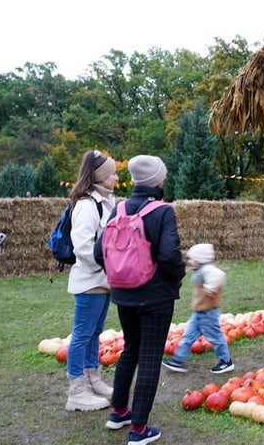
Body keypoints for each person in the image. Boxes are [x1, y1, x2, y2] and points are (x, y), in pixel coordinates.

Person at [95, 155, 185, 445]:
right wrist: (178, 276)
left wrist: (120, 272)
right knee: (149, 357)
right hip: (155, 296)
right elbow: (169, 256)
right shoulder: (163, 211)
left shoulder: (119, 208)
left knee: (130, 350)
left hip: (124, 295)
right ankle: (139, 430)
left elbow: (98, 253)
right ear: (157, 180)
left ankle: (118, 412)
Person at [65, 150, 118, 412]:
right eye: (112, 174)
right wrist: (109, 263)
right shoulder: (87, 205)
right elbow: (83, 248)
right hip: (91, 281)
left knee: (94, 333)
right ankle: (76, 391)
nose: (116, 177)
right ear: (100, 177)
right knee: (82, 335)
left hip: (103, 280)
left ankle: (92, 379)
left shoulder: (106, 201)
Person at [161, 243, 235, 375]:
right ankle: (178, 360)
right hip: (199, 313)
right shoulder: (201, 270)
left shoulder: (208, 269)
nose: (189, 261)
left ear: (201, 259)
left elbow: (220, 275)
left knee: (215, 338)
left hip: (208, 313)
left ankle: (226, 361)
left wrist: (211, 288)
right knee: (188, 336)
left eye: (192, 259)